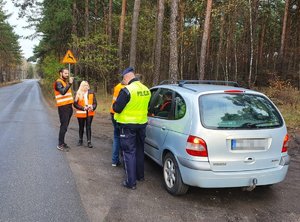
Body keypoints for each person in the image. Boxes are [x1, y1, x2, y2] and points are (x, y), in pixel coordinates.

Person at [113, 67, 151, 190]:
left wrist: (114, 104)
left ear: (127, 77)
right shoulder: (146, 89)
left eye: (123, 78)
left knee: (129, 153)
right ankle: (140, 176)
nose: (123, 81)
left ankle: (131, 182)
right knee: (140, 150)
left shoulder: (127, 90)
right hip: (142, 124)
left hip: (128, 125)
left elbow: (117, 108)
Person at [54, 68, 74, 152]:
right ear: (60, 73)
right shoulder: (58, 82)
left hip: (68, 107)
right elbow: (62, 92)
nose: (67, 75)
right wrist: (69, 83)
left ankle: (62, 142)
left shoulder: (64, 82)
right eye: (65, 73)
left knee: (65, 126)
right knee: (63, 126)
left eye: (67, 73)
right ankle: (60, 144)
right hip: (63, 107)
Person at [73, 81, 97, 148]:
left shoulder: (91, 93)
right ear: (82, 86)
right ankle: (80, 140)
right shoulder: (77, 93)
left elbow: (95, 103)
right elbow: (75, 104)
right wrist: (83, 108)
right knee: (81, 127)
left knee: (88, 126)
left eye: (87, 85)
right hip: (81, 113)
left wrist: (92, 107)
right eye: (85, 85)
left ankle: (89, 142)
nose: (86, 86)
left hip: (90, 112)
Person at [110, 80, 126, 166]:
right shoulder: (125, 89)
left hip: (113, 113)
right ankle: (123, 160)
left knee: (116, 136)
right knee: (122, 137)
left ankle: (114, 160)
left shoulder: (118, 86)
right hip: (119, 115)